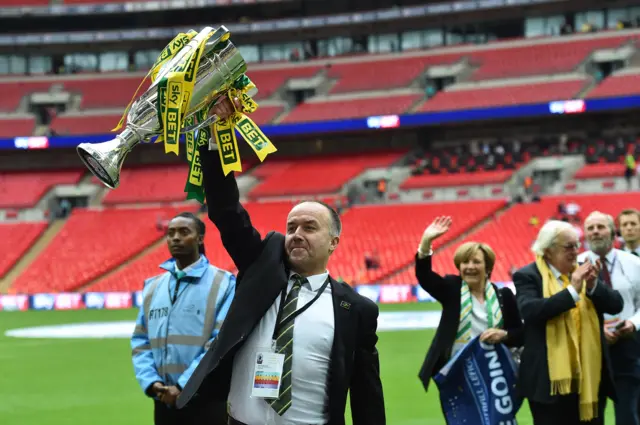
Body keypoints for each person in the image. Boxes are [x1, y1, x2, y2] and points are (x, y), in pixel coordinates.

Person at [176, 97, 385, 425]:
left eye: (310, 227)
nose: (297, 234)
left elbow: (367, 394)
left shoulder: (356, 310)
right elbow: (226, 211)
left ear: (334, 242)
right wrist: (215, 138)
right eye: (291, 227)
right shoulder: (262, 267)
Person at [514, 220, 623, 425]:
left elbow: (616, 304)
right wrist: (572, 291)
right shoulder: (527, 276)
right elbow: (531, 311)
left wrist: (592, 287)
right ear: (548, 251)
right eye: (568, 247)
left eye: (577, 245)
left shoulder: (584, 270)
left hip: (589, 377)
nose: (575, 251)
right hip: (549, 383)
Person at [131, 212, 236, 425]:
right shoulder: (153, 287)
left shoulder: (223, 283)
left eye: (184, 232)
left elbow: (219, 343)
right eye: (170, 233)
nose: (175, 238)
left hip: (206, 401)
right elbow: (140, 342)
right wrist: (152, 383)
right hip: (163, 401)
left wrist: (182, 386)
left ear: (200, 238)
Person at [415, 216, 523, 395]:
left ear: (488, 268)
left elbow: (520, 334)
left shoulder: (504, 296)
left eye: (476, 262)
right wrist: (426, 242)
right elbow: (424, 275)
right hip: (457, 372)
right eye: (464, 262)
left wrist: (504, 334)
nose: (469, 267)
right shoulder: (452, 289)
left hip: (495, 372)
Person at [579, 211, 640, 425]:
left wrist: (633, 322)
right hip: (590, 351)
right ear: (585, 235)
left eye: (600, 227)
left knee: (628, 415)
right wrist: (596, 330)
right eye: (590, 228)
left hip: (627, 348)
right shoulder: (575, 267)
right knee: (592, 417)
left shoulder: (634, 263)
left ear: (613, 232)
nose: (595, 232)